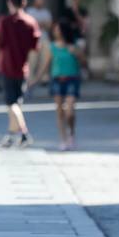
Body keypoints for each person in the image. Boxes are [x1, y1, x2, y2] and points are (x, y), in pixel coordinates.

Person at [0, 0, 42, 149]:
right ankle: (11, 136)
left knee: (12, 104)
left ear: (9, 3)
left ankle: (24, 134)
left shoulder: (5, 22)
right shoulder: (30, 22)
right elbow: (36, 45)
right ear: (24, 2)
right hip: (22, 67)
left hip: (7, 66)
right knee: (16, 104)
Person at [37, 19, 86, 150]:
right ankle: (63, 139)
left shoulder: (74, 45)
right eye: (55, 29)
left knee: (70, 111)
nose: (55, 31)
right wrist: (37, 78)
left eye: (57, 29)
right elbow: (46, 64)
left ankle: (72, 133)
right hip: (57, 80)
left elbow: (83, 62)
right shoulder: (51, 46)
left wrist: (76, 53)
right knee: (59, 111)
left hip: (72, 79)